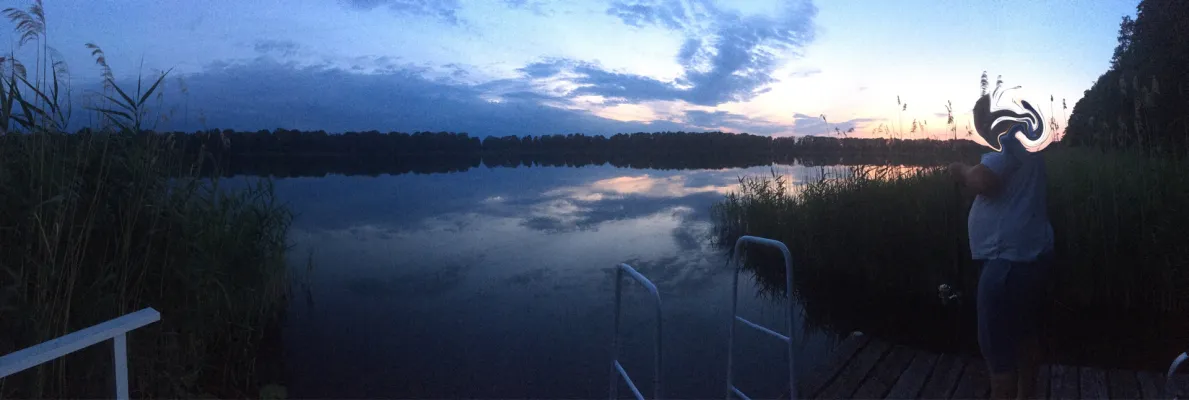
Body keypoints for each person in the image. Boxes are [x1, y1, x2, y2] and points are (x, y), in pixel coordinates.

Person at [948, 94, 1055, 400]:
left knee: (998, 352)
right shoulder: (1025, 142)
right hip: (1027, 258)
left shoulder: (1007, 139)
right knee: (1024, 337)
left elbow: (985, 181)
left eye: (982, 118)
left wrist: (960, 171)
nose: (980, 126)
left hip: (1006, 264)